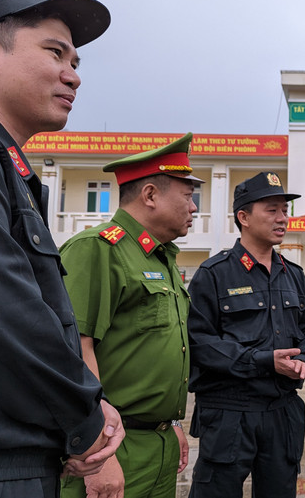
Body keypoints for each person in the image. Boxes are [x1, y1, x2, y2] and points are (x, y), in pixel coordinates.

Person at [0, 0, 124, 496]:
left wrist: (77, 415)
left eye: (75, 62)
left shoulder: (2, 162)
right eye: (55, 53)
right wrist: (84, 419)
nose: (73, 75)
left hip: (17, 459)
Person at [59, 134, 202, 498]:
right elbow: (73, 349)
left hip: (158, 442)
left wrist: (169, 423)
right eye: (188, 196)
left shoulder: (162, 258)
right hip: (112, 445)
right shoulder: (97, 249)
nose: (195, 207)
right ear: (150, 195)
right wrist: (97, 451)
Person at [187, 171, 305, 498]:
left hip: (282, 410)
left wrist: (303, 359)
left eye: (285, 211)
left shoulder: (294, 275)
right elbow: (201, 344)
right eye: (272, 210)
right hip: (229, 412)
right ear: (243, 217)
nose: (282, 218)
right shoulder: (214, 274)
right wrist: (263, 361)